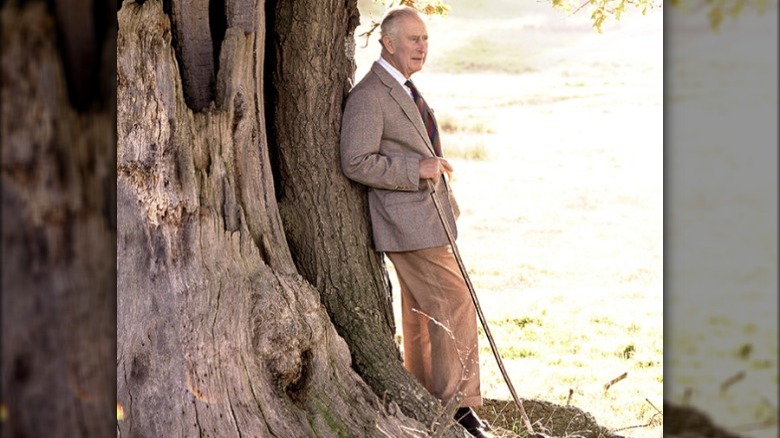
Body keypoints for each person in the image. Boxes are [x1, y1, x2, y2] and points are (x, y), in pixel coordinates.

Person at [340, 6, 492, 438]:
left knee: (422, 313)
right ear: (387, 42)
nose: (422, 47)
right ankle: (460, 408)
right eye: (413, 39)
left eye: (425, 39)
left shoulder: (404, 88)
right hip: (407, 224)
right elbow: (355, 161)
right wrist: (417, 170)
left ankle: (427, 395)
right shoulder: (371, 95)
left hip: (429, 220)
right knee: (456, 301)